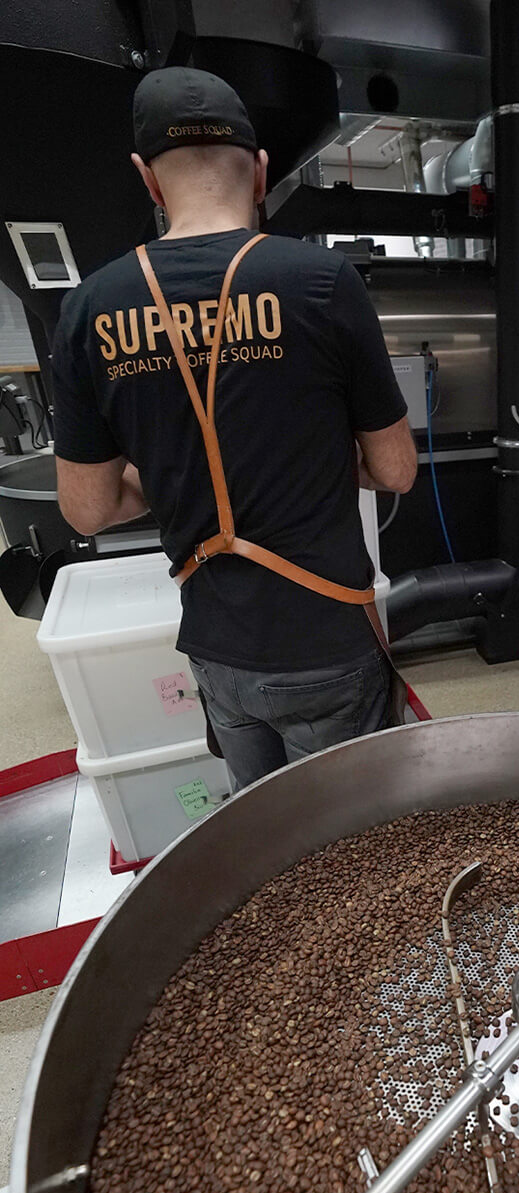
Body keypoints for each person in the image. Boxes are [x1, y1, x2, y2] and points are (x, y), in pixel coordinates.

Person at [52, 68, 418, 789]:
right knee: (354, 851)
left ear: (147, 180)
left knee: (262, 847)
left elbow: (88, 509)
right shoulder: (323, 280)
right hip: (326, 640)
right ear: (259, 170)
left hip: (217, 649)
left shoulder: (90, 306)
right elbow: (397, 470)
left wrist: (169, 472)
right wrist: (305, 460)